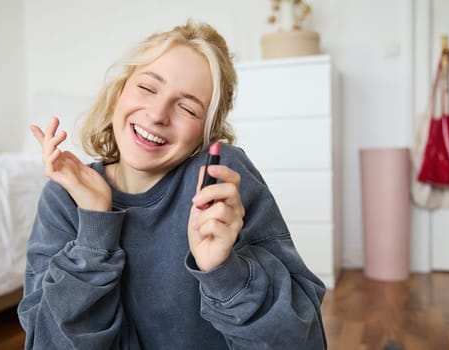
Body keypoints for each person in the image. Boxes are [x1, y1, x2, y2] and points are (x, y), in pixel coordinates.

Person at [17, 19, 326, 349]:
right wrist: (95, 228)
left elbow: (301, 341)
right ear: (117, 93)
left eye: (188, 107)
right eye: (148, 88)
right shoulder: (64, 197)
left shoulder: (220, 182)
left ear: (207, 133)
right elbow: (46, 342)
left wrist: (225, 271)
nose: (158, 114)